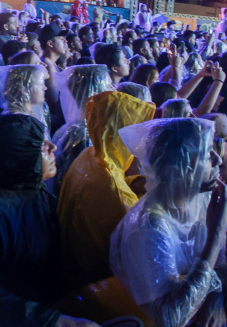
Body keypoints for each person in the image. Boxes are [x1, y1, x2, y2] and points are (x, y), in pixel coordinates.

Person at [0, 114, 110, 327]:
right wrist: (52, 321)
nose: (52, 146)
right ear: (19, 156)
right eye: (40, 145)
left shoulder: (28, 186)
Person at [110, 118, 227, 327]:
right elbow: (171, 320)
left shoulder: (200, 200)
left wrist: (216, 297)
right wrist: (216, 233)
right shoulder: (149, 228)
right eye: (206, 154)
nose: (217, 160)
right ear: (179, 170)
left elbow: (220, 263)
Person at [58, 91, 155, 299]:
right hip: (97, 286)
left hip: (71, 265)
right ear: (121, 132)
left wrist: (133, 182)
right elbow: (139, 255)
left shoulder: (90, 155)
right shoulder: (114, 189)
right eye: (136, 131)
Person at [52, 65, 113, 185]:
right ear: (96, 90)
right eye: (108, 85)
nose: (114, 90)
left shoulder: (74, 129)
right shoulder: (83, 134)